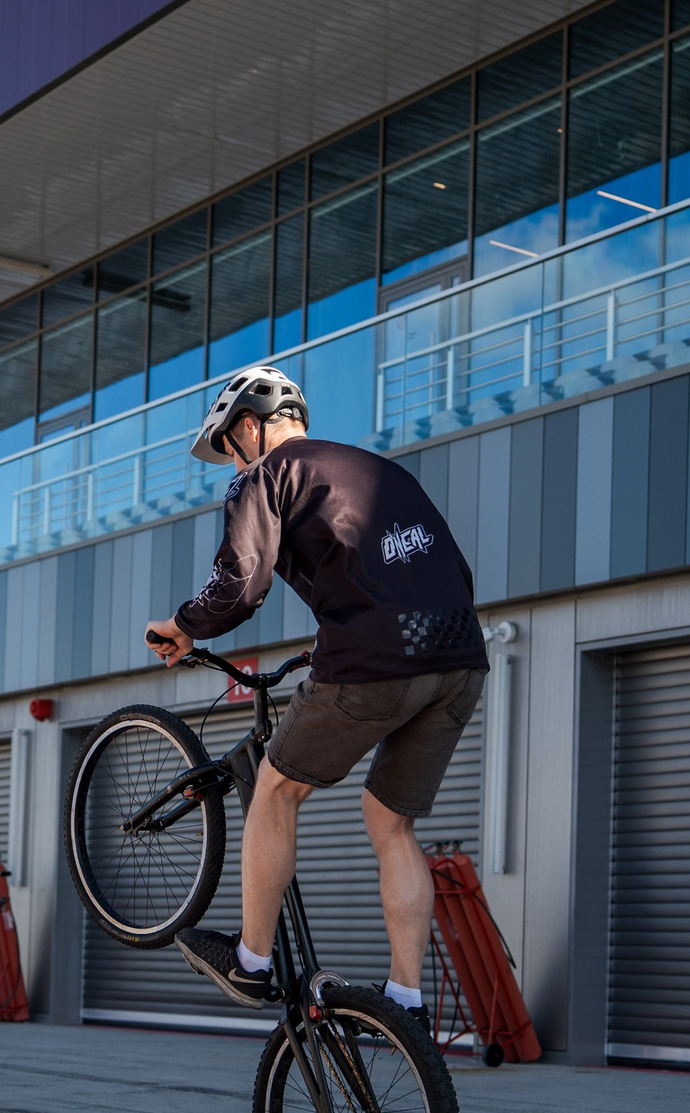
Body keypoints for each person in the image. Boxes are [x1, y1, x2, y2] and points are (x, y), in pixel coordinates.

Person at [143, 365, 487, 1034]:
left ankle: (251, 958)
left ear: (249, 426)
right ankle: (407, 1001)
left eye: (229, 448)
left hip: (377, 655)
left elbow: (240, 586)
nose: (232, 464)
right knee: (391, 822)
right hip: (458, 654)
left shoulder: (265, 476)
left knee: (275, 788)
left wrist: (182, 626)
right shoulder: (380, 470)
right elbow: (446, 570)